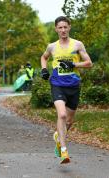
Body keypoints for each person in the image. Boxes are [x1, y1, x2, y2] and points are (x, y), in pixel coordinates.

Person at [40, 16, 93, 164]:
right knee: (62, 115)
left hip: (73, 85)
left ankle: (58, 136)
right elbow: (44, 57)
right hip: (57, 84)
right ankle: (63, 151)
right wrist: (44, 69)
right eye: (60, 27)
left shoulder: (77, 45)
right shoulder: (52, 46)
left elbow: (89, 63)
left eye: (65, 27)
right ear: (56, 29)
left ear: (69, 27)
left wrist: (74, 65)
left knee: (69, 121)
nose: (63, 30)